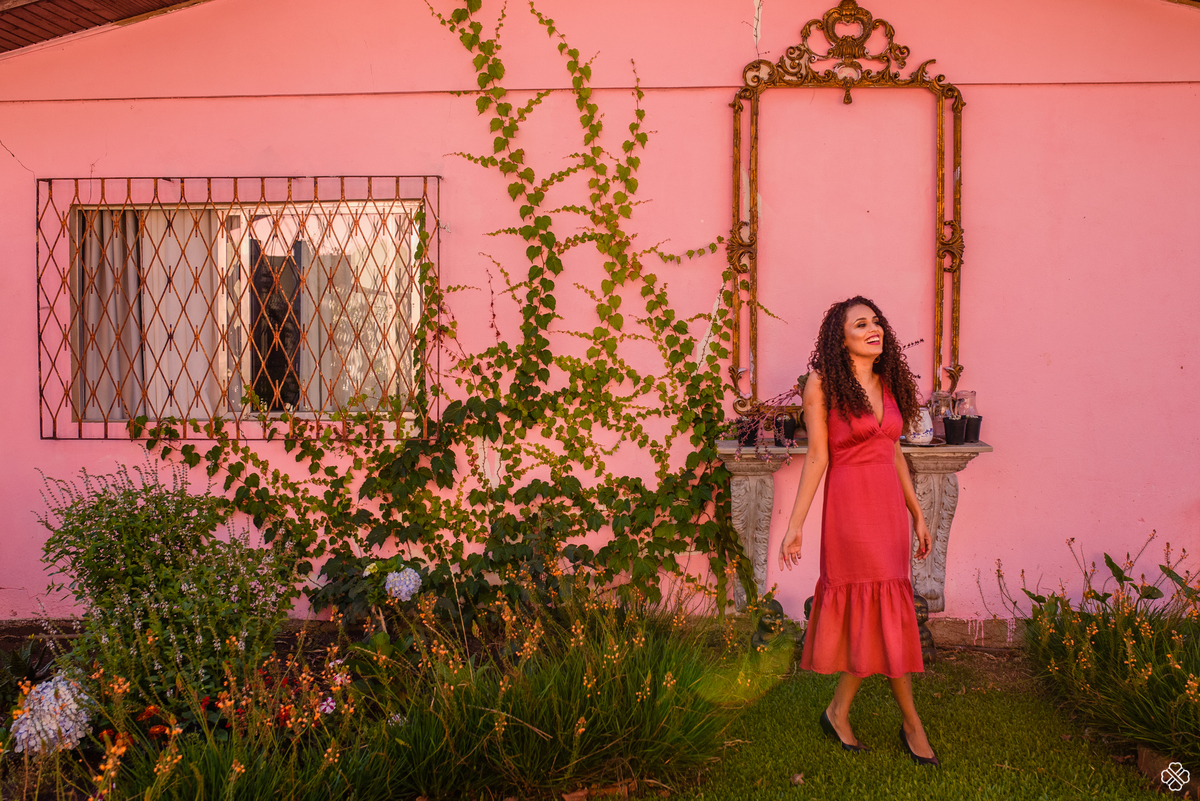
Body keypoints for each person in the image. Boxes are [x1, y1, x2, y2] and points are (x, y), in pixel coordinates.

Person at [778, 295, 939, 767]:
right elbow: (818, 456)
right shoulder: (822, 383)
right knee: (879, 608)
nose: (874, 329)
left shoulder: (888, 383)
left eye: (876, 322)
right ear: (840, 338)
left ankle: (838, 711)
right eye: (860, 324)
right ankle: (912, 723)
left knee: (881, 609)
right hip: (850, 508)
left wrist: (916, 511)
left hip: (888, 509)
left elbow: (893, 450)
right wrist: (795, 525)